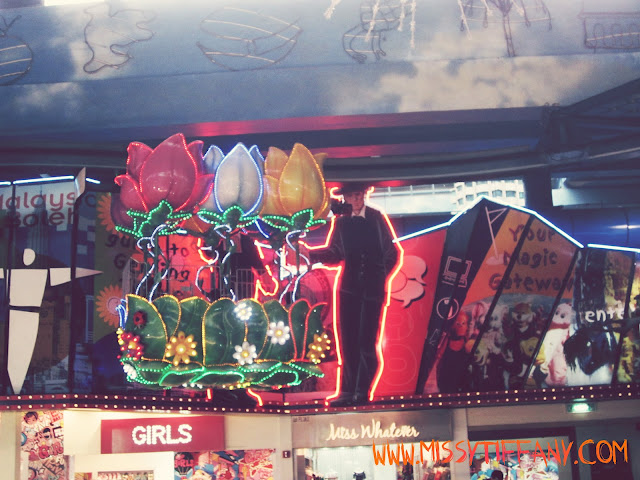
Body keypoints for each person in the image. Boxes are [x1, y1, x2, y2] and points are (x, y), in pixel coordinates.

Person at [310, 182, 399, 405]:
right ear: (346, 198)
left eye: (359, 195)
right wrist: (310, 254)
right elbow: (335, 253)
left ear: (364, 195)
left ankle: (362, 391)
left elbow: (392, 253)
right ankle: (347, 392)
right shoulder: (341, 222)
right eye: (352, 196)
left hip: (372, 291)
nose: (357, 199)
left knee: (366, 342)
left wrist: (378, 278)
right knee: (348, 342)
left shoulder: (376, 218)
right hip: (349, 289)